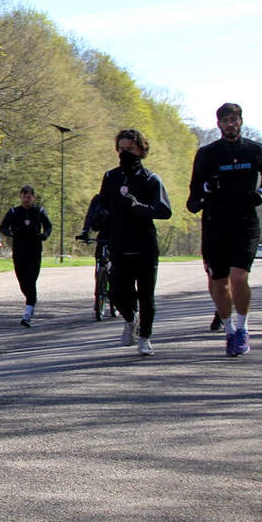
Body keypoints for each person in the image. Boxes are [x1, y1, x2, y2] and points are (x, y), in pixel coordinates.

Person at [186, 103, 262, 356]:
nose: (230, 124)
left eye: (234, 119)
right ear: (219, 125)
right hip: (215, 223)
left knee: (239, 277)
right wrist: (207, 188)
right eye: (225, 120)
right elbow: (194, 192)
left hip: (245, 221)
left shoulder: (256, 150)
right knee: (219, 283)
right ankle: (228, 331)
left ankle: (243, 328)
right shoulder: (207, 154)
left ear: (241, 121)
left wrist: (261, 192)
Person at [96, 130, 172, 355]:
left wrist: (142, 208)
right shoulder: (111, 177)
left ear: (140, 149)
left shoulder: (150, 178)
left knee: (146, 295)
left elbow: (165, 210)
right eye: (121, 149)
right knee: (118, 293)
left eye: (130, 149)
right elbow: (103, 204)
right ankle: (131, 319)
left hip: (145, 245)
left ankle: (145, 338)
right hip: (119, 243)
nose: (125, 153)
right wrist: (99, 219)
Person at [0, 185, 52, 327]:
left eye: (29, 197)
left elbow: (48, 226)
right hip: (19, 250)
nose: (26, 200)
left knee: (31, 280)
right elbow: (3, 227)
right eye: (24, 197)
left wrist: (44, 235)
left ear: (33, 198)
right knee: (23, 282)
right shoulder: (14, 212)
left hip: (34, 251)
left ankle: (28, 312)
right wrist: (10, 233)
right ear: (20, 197)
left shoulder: (39, 211)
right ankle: (32, 300)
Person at [77, 192, 114, 319]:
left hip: (117, 234)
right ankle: (98, 295)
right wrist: (85, 231)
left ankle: (116, 293)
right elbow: (90, 215)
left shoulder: (119, 197)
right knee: (99, 262)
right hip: (103, 234)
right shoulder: (98, 199)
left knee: (117, 264)